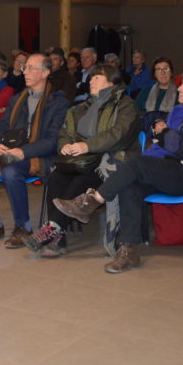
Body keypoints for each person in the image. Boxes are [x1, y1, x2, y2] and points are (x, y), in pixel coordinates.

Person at [54, 70, 183, 273]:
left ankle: (91, 201)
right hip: (173, 167)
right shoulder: (182, 110)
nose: (179, 87)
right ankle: (129, 251)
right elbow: (172, 144)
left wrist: (164, 132)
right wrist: (163, 133)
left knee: (136, 164)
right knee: (131, 186)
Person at [25, 64, 140, 258]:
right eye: (91, 77)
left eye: (97, 77)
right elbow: (65, 131)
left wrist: (87, 146)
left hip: (110, 161)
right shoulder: (82, 107)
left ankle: (52, 230)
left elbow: (119, 134)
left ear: (111, 81)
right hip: (82, 159)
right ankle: (57, 237)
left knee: (80, 182)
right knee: (56, 178)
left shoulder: (125, 105)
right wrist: (66, 145)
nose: (91, 81)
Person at [0, 53, 69, 248]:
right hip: (12, 152)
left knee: (11, 172)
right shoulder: (18, 99)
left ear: (46, 72)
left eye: (32, 68)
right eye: (25, 67)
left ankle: (23, 226)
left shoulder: (58, 102)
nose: (26, 71)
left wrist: (24, 152)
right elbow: (2, 125)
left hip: (41, 156)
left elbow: (52, 140)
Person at [135, 56, 177, 136]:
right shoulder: (145, 91)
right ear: (154, 74)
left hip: (169, 133)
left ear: (171, 72)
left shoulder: (180, 93)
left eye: (166, 69)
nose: (162, 72)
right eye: (158, 69)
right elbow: (136, 112)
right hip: (145, 131)